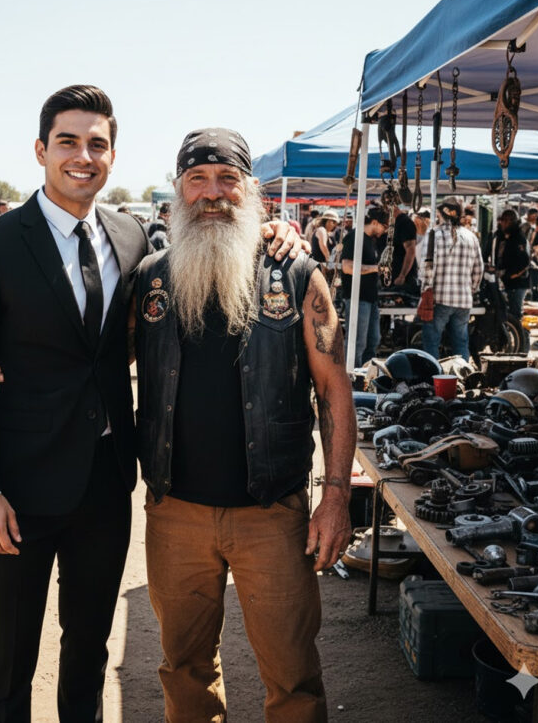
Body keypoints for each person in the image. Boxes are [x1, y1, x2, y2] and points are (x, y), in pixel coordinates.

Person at [0, 85, 301, 723]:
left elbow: (145, 323)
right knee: (10, 658)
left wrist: (279, 229)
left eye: (97, 144)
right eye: (68, 142)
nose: (83, 156)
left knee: (89, 651)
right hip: (18, 491)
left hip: (107, 487)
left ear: (112, 155)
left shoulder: (133, 238)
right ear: (41, 151)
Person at [134, 130, 354, 722]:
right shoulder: (150, 278)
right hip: (175, 513)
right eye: (198, 180)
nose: (213, 193)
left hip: (272, 515)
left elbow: (334, 389)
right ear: (178, 189)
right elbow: (90, 361)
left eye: (227, 179)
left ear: (251, 189)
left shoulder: (298, 275)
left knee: (292, 676)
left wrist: (334, 498)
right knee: (183, 671)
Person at [420, 198, 484, 361]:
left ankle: (434, 377)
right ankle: (462, 377)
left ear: (443, 214)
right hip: (463, 300)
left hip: (440, 299)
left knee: (431, 342)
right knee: (461, 343)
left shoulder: (434, 235)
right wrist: (471, 289)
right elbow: (479, 269)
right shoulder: (471, 237)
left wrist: (425, 290)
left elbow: (427, 268)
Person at [340, 205, 388, 367]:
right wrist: (376, 268)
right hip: (357, 297)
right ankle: (351, 377)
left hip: (369, 298)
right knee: (357, 342)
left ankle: (364, 376)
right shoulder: (355, 237)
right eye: (384, 226)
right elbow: (346, 267)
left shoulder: (369, 241)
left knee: (373, 340)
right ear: (374, 222)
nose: (384, 230)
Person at [497, 208, 530, 320]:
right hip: (509, 282)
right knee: (510, 313)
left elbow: (525, 262)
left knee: (515, 315)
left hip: (517, 283)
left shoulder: (519, 238)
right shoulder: (504, 237)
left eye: (507, 221)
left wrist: (512, 275)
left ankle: (522, 336)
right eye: (502, 220)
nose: (503, 223)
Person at [390, 203, 418, 292]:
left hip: (402, 279)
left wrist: (402, 275)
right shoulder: (393, 222)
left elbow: (410, 251)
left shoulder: (405, 223)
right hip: (392, 276)